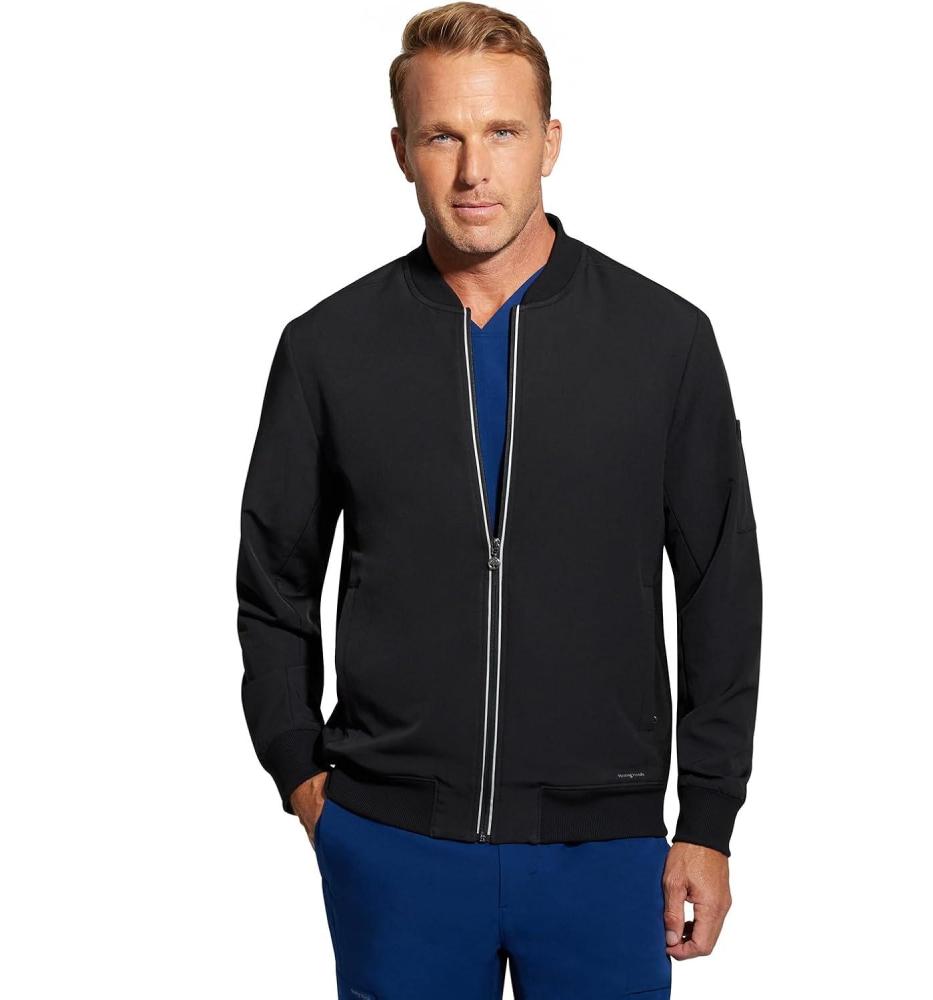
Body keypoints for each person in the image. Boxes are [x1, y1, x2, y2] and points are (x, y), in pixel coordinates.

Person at [235, 3, 762, 997]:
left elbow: (720, 590)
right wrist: (302, 777)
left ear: (550, 142)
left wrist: (708, 820)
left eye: (503, 132)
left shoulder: (664, 342)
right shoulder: (328, 348)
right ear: (402, 149)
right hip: (393, 843)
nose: (475, 170)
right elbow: (273, 583)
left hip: (606, 849)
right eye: (443, 135)